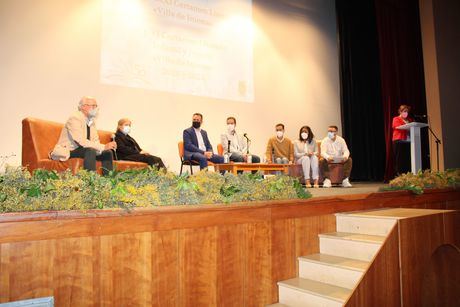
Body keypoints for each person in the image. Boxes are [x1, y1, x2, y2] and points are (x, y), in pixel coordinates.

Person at [50, 96, 116, 176]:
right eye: (93, 106)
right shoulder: (74, 118)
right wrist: (103, 146)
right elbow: (80, 141)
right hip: (69, 150)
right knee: (90, 151)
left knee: (107, 153)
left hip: (84, 150)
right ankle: (90, 181)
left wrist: (103, 149)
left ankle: (108, 180)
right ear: (83, 107)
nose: (96, 109)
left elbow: (95, 141)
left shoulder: (91, 122)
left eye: (96, 106)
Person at [392, 105, 412, 176]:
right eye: (404, 111)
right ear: (400, 111)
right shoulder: (396, 118)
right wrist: (408, 127)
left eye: (407, 111)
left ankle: (408, 174)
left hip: (409, 141)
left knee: (407, 158)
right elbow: (396, 126)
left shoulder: (409, 120)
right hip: (399, 140)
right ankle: (399, 175)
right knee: (400, 159)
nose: (406, 113)